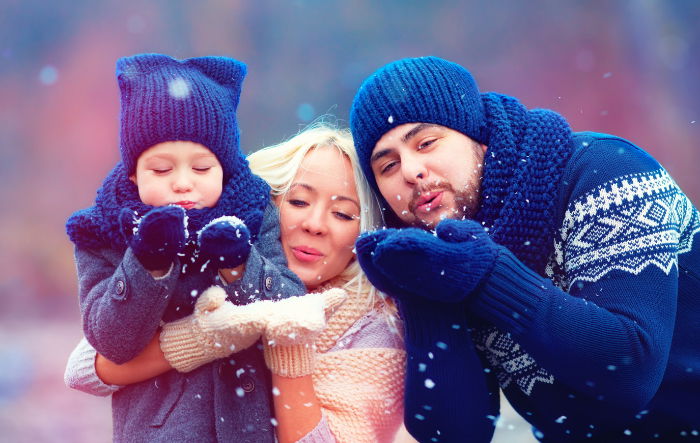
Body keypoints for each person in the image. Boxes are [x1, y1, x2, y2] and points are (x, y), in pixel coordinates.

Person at [349, 56, 700, 441]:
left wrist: (486, 275)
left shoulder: (603, 173)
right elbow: (456, 434)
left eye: (427, 143)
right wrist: (421, 292)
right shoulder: (444, 252)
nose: (411, 171)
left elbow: (630, 369)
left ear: (479, 138)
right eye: (387, 166)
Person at [66, 123, 413, 443]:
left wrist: (290, 339)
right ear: (265, 206)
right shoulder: (212, 266)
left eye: (342, 214)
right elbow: (85, 367)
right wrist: (202, 337)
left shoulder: (374, 326)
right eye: (298, 201)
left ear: (364, 231)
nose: (315, 224)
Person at [64, 53, 306, 442]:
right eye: (161, 169)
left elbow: (288, 307)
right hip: (160, 430)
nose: (182, 183)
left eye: (201, 168)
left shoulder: (252, 214)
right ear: (133, 171)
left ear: (223, 168)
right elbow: (111, 341)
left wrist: (239, 264)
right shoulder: (102, 232)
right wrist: (149, 262)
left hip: (248, 429)